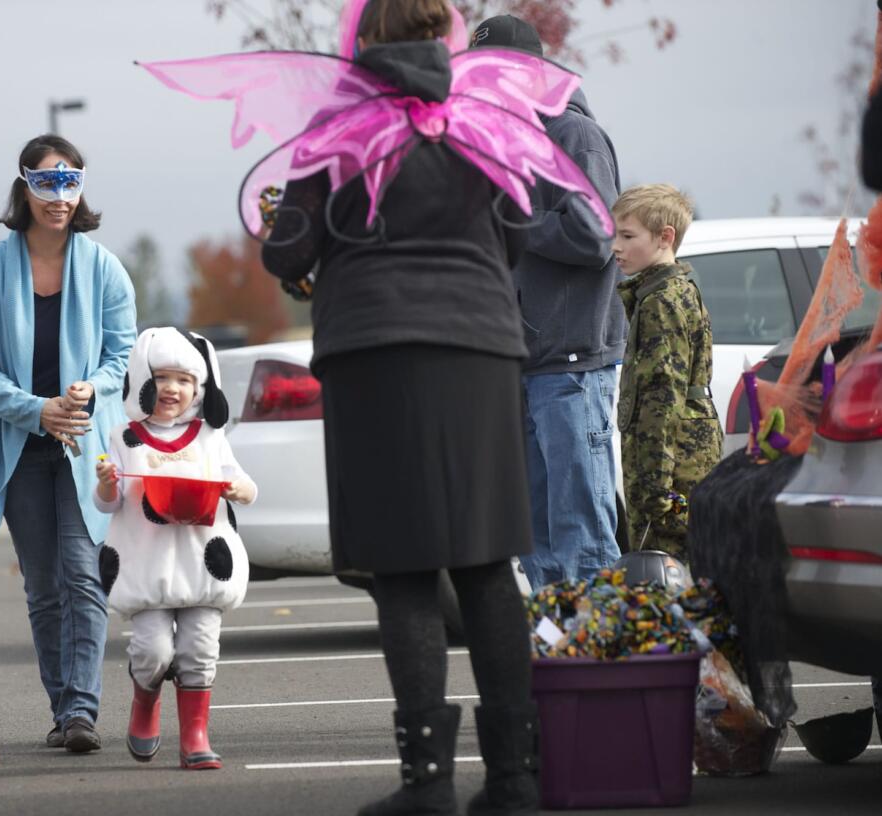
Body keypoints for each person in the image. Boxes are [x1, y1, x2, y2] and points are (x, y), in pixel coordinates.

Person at [261, 2, 546, 812]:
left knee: (405, 569)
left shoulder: (341, 124)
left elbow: (289, 248)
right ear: (445, 33)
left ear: (365, 39)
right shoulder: (486, 115)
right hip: (480, 347)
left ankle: (428, 784)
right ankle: (516, 778)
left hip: (376, 351)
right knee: (489, 564)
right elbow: (521, 230)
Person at [0, 135, 137, 752]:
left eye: (70, 182)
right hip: (22, 447)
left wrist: (91, 390)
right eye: (46, 182)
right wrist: (38, 411)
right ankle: (64, 709)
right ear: (24, 187)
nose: (59, 196)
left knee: (82, 575)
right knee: (42, 585)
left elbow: (123, 351)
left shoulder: (105, 268)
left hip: (85, 446)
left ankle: (83, 712)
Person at [472, 14, 626, 589]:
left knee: (581, 535)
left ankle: (599, 670)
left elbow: (595, 236)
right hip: (523, 365)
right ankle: (558, 663)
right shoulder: (505, 145)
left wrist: (514, 222)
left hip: (571, 365)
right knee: (536, 538)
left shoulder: (574, 136)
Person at [94, 327, 256, 771]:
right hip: (147, 568)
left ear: (201, 388)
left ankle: (195, 735)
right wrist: (106, 485)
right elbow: (107, 502)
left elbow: (243, 482)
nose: (173, 389)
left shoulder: (209, 437)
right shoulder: (124, 437)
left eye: (185, 380)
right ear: (142, 380)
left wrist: (241, 488)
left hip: (203, 567)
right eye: (163, 377)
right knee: (152, 652)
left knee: (200, 649)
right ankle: (144, 698)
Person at [612, 184, 722, 559]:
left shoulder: (662, 302)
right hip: (681, 460)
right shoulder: (667, 292)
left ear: (665, 237)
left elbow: (663, 396)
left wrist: (656, 491)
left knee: (665, 567)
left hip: (673, 466)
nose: (616, 246)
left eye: (627, 236)